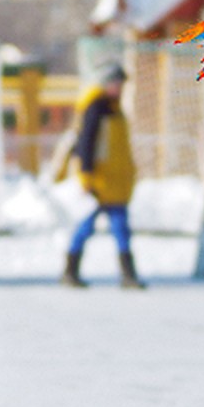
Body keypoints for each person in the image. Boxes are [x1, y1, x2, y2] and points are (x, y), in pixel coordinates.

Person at [60, 63, 145, 289]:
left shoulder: (114, 107)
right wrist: (86, 175)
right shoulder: (96, 107)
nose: (120, 88)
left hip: (115, 180)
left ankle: (128, 274)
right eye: (116, 83)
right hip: (99, 180)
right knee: (87, 225)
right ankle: (71, 269)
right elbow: (86, 142)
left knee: (121, 227)